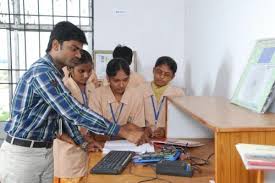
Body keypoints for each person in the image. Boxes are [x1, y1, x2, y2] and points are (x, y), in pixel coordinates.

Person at [0, 21, 145, 183]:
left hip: (44, 152)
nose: (77, 55)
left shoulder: (55, 75)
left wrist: (83, 143)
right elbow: (74, 111)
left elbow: (64, 117)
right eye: (74, 48)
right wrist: (122, 131)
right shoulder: (42, 73)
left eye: (80, 50)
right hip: (24, 154)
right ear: (56, 45)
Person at [53, 50, 100, 183]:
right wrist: (83, 142)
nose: (86, 75)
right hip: (68, 154)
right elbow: (58, 128)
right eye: (81, 71)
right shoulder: (62, 89)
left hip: (87, 151)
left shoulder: (92, 87)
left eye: (89, 71)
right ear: (70, 69)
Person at [89, 58, 146, 140]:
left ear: (129, 77)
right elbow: (97, 133)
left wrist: (108, 133)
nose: (121, 85)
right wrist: (127, 129)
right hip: (102, 146)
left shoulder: (136, 95)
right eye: (116, 80)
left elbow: (138, 130)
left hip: (129, 145)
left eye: (125, 80)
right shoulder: (96, 95)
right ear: (108, 78)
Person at [138, 56, 185, 139]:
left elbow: (180, 121)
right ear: (153, 70)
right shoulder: (140, 89)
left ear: (173, 77)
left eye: (167, 74)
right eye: (159, 72)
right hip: (143, 136)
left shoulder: (178, 93)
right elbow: (134, 115)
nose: (161, 76)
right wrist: (143, 128)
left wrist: (165, 130)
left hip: (167, 139)